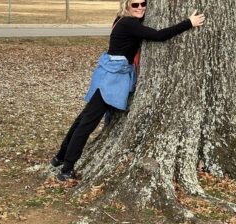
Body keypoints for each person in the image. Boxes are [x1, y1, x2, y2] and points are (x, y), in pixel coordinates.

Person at [50, 0, 206, 181]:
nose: (140, 7)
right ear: (126, 6)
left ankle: (59, 158)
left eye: (143, 3)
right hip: (112, 77)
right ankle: (67, 168)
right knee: (87, 123)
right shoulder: (128, 23)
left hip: (108, 72)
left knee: (83, 119)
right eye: (135, 4)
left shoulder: (122, 20)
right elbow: (159, 35)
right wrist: (189, 23)